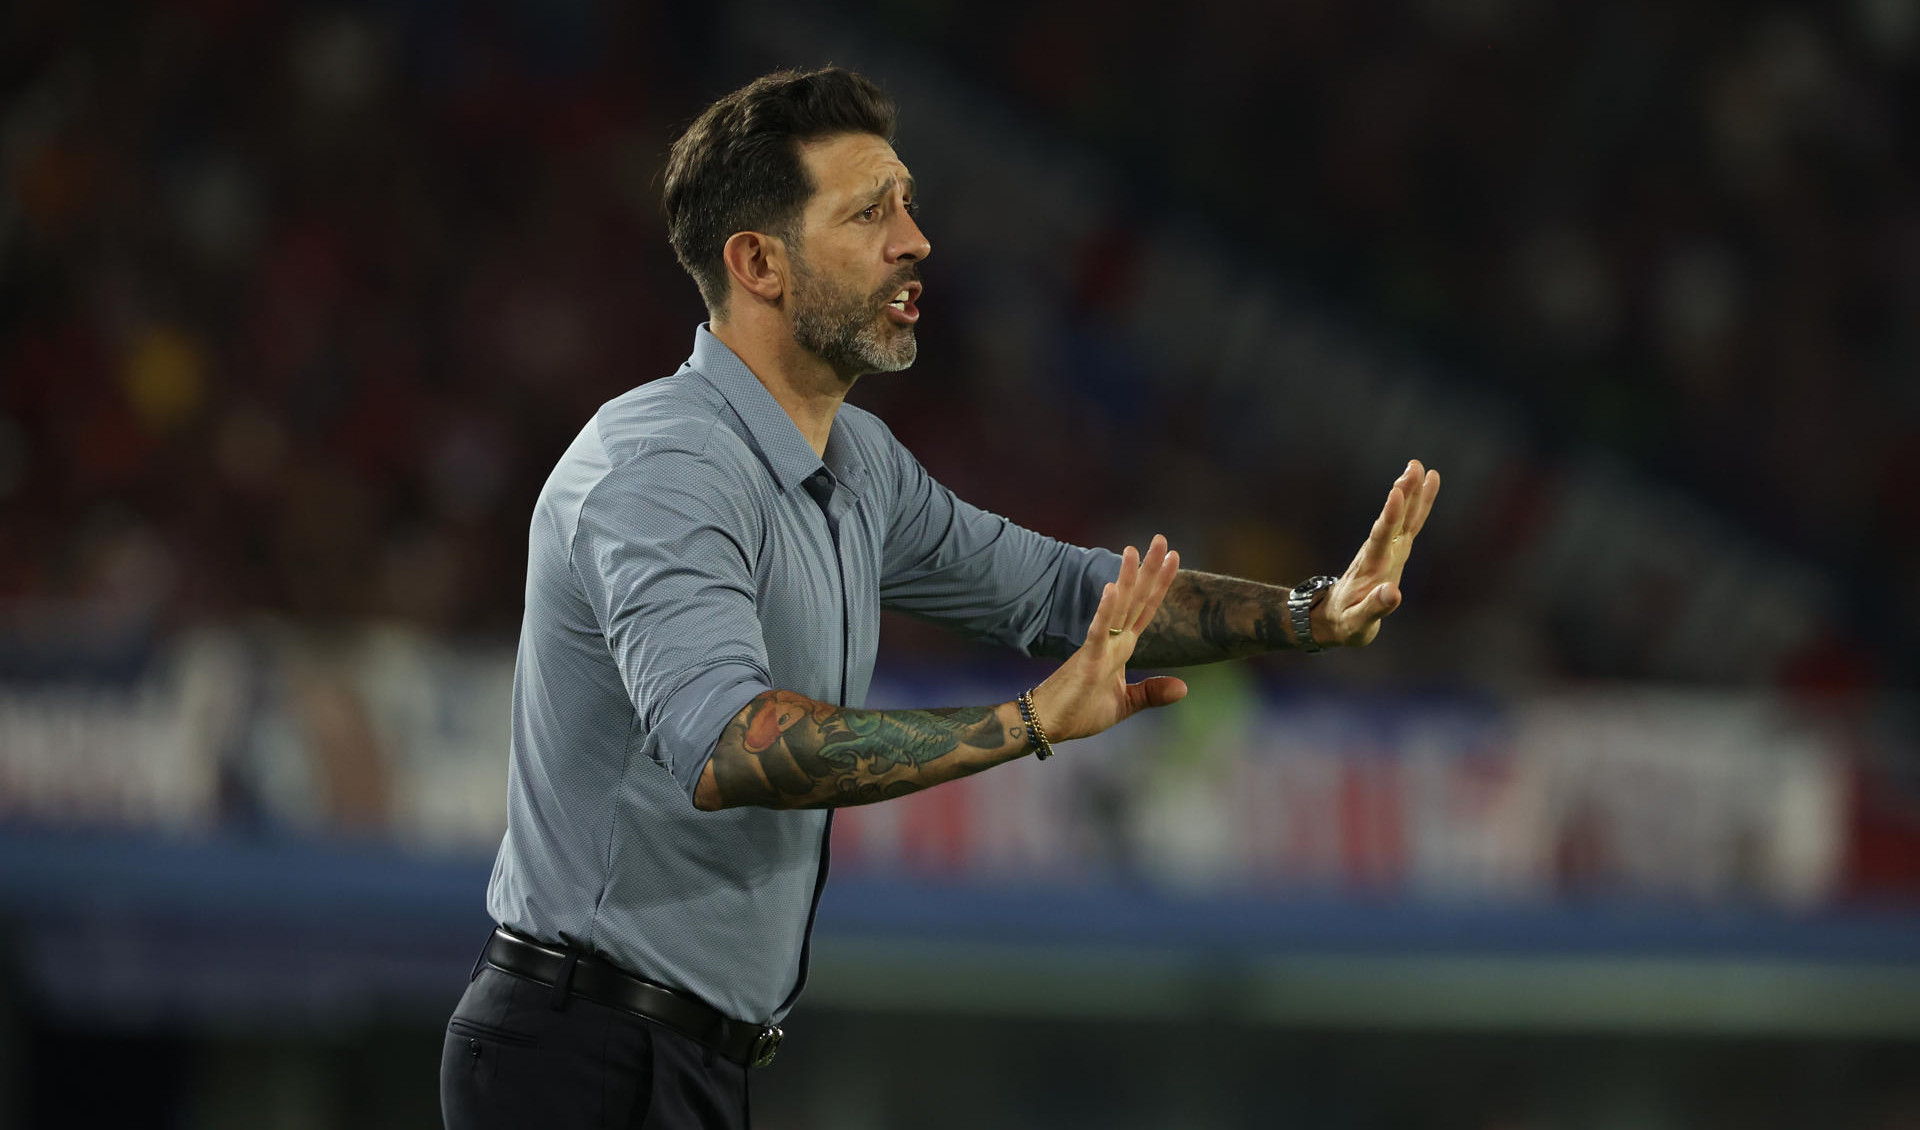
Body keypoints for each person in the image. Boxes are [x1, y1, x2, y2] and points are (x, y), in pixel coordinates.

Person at [439, 66, 1441, 1129]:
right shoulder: (664, 466)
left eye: (907, 205)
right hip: (580, 1056)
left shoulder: (857, 460)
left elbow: (1060, 589)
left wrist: (1309, 613)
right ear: (757, 262)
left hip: (681, 1059)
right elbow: (735, 746)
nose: (915, 241)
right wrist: (1027, 722)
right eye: (869, 213)